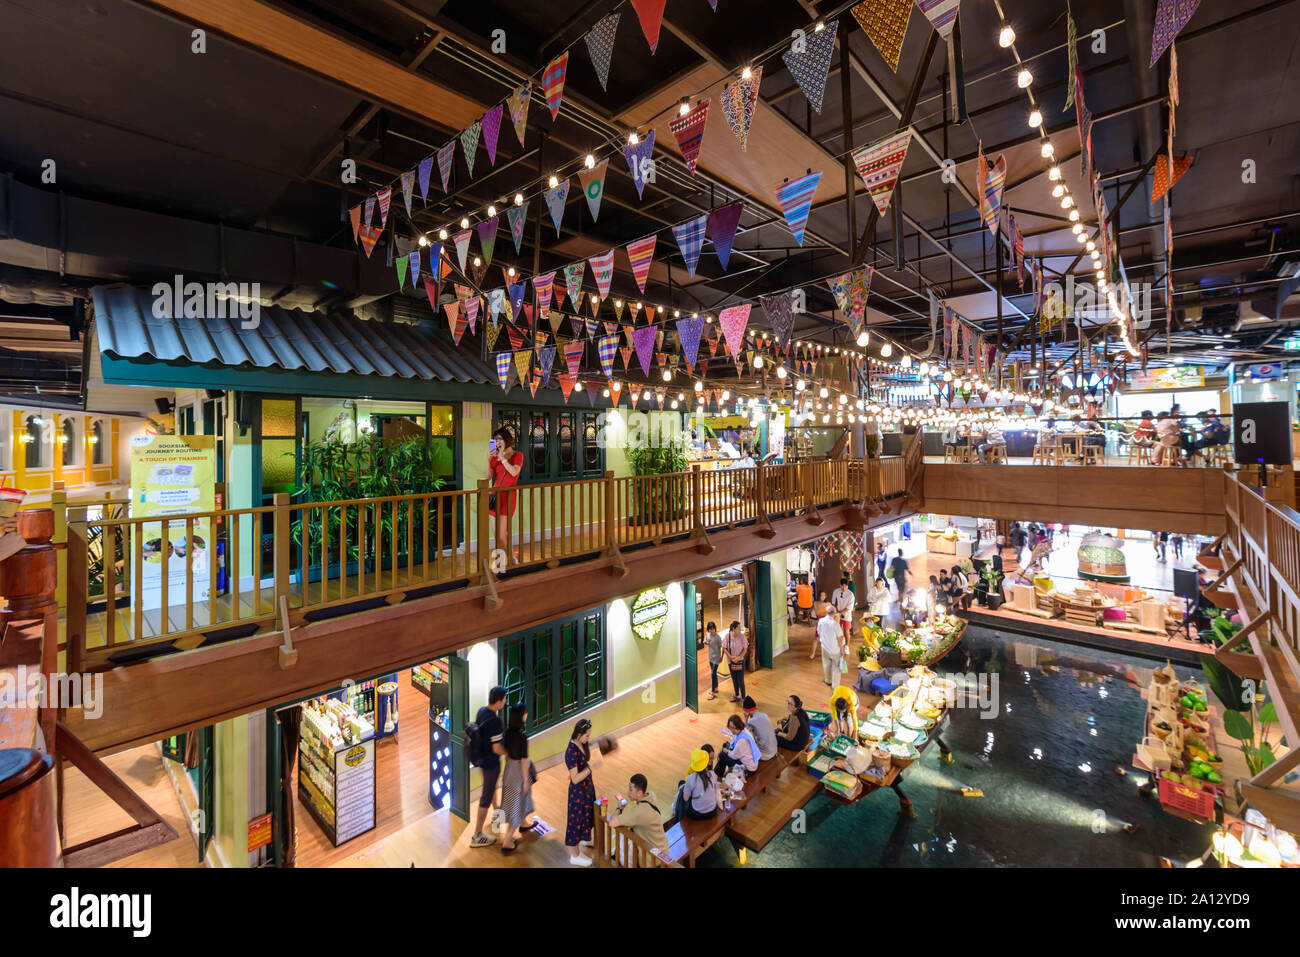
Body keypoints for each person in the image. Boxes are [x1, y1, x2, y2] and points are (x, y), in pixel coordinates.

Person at [469, 686, 508, 847]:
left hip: (483, 760)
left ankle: (497, 813)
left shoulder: (481, 711)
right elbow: (496, 748)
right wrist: (510, 753)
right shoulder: (496, 721)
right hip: (491, 763)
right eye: (504, 699)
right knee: (485, 797)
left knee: (491, 788)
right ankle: (477, 834)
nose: (505, 702)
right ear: (498, 702)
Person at [499, 703, 536, 855]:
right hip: (518, 773)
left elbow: (507, 752)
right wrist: (526, 780)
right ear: (521, 717)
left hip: (509, 771)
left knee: (515, 800)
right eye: (525, 713)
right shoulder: (522, 738)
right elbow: (523, 761)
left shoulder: (507, 733)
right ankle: (508, 840)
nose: (526, 715)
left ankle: (524, 822)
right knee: (518, 801)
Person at [487, 426, 524, 566]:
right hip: (494, 497)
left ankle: (503, 563)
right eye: (495, 440)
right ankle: (509, 560)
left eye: (500, 439)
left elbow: (514, 472)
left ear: (507, 440)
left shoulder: (517, 455)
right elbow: (488, 477)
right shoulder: (494, 458)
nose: (498, 442)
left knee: (502, 535)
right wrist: (488, 459)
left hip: (508, 496)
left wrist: (503, 459)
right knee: (497, 535)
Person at [564, 719, 597, 866]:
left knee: (587, 816)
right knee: (575, 821)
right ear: (579, 734)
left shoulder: (582, 744)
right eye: (587, 736)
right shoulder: (571, 752)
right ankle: (574, 854)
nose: (588, 738)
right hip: (578, 794)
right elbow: (575, 778)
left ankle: (587, 838)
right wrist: (591, 768)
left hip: (587, 790)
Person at [610, 773, 668, 857]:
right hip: (663, 849)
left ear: (640, 793)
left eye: (631, 790)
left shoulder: (639, 812)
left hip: (652, 858)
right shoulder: (651, 795)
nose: (628, 792)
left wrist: (619, 808)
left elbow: (612, 822)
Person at [672, 750, 719, 822]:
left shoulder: (690, 778)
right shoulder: (712, 774)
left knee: (681, 787)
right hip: (713, 811)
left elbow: (685, 799)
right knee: (683, 785)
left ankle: (677, 815)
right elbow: (715, 792)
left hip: (698, 814)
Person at [742, 696, 778, 761]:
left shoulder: (751, 721)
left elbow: (744, 734)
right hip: (774, 749)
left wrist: (746, 718)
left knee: (744, 745)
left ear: (747, 711)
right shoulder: (764, 715)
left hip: (765, 754)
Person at [816, 605, 844, 686]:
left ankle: (828, 680)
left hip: (824, 647)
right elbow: (840, 638)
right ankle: (835, 686)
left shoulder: (820, 621)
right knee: (836, 668)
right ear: (834, 613)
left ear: (826, 612)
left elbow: (818, 632)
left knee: (826, 664)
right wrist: (842, 650)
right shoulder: (835, 624)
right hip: (835, 649)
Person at [723, 620, 748, 702]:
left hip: (740, 662)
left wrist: (739, 657)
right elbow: (724, 648)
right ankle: (737, 695)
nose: (740, 630)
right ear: (733, 629)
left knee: (740, 680)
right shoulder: (727, 636)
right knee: (734, 679)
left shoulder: (742, 636)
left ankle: (744, 698)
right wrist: (731, 657)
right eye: (738, 628)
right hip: (731, 662)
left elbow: (745, 649)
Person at [831, 576, 856, 644]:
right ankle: (840, 642)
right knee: (838, 630)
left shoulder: (850, 594)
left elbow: (849, 608)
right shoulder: (836, 591)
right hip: (837, 613)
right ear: (840, 585)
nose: (844, 588)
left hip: (847, 615)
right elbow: (833, 602)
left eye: (846, 586)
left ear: (848, 586)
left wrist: (840, 613)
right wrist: (836, 611)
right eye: (843, 586)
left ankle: (847, 646)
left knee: (846, 631)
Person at [704, 621, 723, 700]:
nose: (711, 631)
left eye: (713, 629)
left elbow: (722, 647)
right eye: (710, 629)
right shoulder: (707, 634)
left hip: (717, 658)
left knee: (713, 674)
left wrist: (721, 656)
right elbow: (706, 641)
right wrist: (705, 642)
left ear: (715, 628)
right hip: (710, 657)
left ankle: (712, 692)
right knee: (714, 674)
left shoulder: (718, 637)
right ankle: (716, 687)